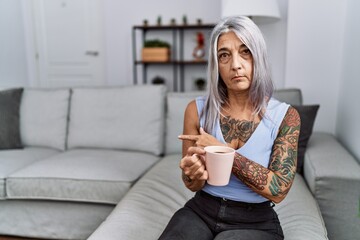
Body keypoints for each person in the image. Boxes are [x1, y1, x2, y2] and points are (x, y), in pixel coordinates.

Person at [159, 16, 300, 240]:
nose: (235, 64)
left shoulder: (286, 116)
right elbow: (193, 185)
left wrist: (221, 151)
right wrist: (191, 174)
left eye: (245, 51)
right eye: (224, 55)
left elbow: (279, 189)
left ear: (258, 56)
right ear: (216, 65)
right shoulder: (195, 111)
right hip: (201, 210)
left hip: (256, 222)